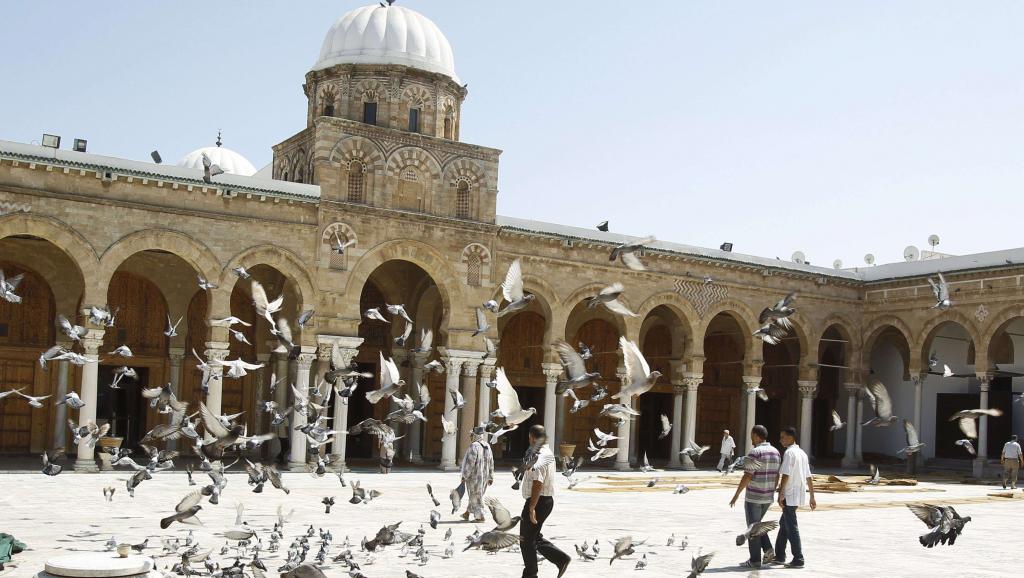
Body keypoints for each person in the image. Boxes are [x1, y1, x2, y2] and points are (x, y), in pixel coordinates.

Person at [519, 424, 570, 578]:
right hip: (544, 501)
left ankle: (531, 575)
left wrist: (532, 507)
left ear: (532, 437)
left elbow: (538, 482)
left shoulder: (540, 455)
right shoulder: (547, 452)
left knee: (525, 540)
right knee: (533, 537)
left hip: (538, 501)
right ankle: (561, 559)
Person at [728, 424, 781, 569]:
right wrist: (772, 490)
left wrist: (736, 495)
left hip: (754, 497)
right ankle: (769, 550)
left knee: (752, 529)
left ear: (757, 436)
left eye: (752, 435)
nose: (751, 438)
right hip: (767, 497)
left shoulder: (754, 452)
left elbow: (747, 476)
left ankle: (755, 560)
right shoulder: (776, 452)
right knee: (757, 526)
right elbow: (777, 475)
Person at [774, 426, 816, 568]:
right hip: (798, 495)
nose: (781, 440)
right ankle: (779, 555)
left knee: (791, 526)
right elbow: (809, 476)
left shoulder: (789, 453)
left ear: (791, 437)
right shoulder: (802, 453)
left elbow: (785, 474)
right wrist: (812, 496)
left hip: (789, 494)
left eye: (783, 437)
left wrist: (781, 493)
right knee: (784, 524)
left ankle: (798, 558)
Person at [460, 424, 494, 522]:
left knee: (475, 495)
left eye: (472, 435)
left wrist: (464, 475)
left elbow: (470, 462)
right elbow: (492, 462)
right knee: (477, 495)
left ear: (475, 435)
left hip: (474, 477)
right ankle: (467, 513)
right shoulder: (487, 446)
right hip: (484, 477)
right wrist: (491, 476)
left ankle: (480, 516)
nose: (470, 437)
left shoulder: (474, 446)